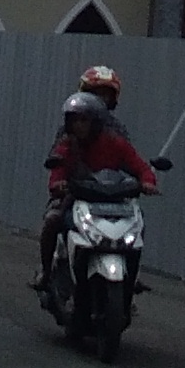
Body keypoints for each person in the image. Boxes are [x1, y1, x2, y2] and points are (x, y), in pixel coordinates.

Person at [38, 91, 155, 292]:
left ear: (96, 122)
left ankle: (131, 277)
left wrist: (147, 182)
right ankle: (46, 273)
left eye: (84, 120)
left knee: (139, 220)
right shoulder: (68, 144)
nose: (79, 126)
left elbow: (140, 166)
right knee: (52, 220)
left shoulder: (115, 142)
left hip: (112, 200)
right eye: (75, 121)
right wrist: (58, 184)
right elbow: (58, 168)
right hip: (76, 198)